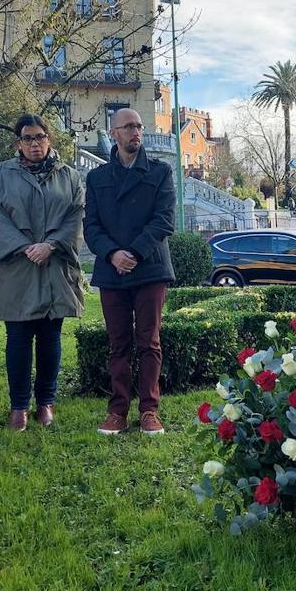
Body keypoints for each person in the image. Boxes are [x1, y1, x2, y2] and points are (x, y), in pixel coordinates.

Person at [0, 113, 85, 431]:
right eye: (27, 138)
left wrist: (51, 245)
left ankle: (46, 402)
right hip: (18, 268)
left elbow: (76, 215)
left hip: (54, 267)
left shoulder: (68, 176)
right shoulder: (3, 174)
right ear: (18, 143)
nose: (34, 143)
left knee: (50, 338)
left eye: (39, 137)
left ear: (49, 139)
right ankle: (19, 407)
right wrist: (26, 247)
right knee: (17, 338)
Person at [83, 108, 175, 436]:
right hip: (112, 270)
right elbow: (91, 226)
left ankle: (149, 410)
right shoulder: (96, 178)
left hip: (149, 266)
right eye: (128, 127)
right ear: (114, 132)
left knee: (149, 341)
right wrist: (113, 254)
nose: (135, 131)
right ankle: (118, 410)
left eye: (138, 125)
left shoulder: (161, 172)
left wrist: (133, 252)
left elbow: (164, 220)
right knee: (118, 343)